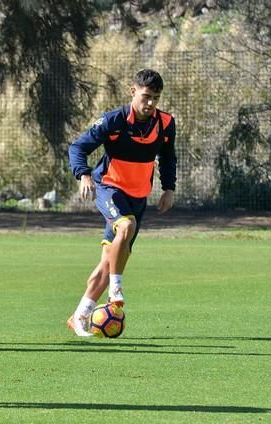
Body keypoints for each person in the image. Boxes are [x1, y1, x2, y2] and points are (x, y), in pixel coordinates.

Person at [67, 68, 177, 337]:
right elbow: (77, 147)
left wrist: (169, 188)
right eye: (146, 96)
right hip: (109, 187)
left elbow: (168, 156)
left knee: (108, 262)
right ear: (133, 92)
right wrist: (83, 175)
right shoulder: (113, 120)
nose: (150, 103)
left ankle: (79, 315)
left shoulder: (165, 123)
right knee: (125, 227)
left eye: (156, 98)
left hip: (139, 196)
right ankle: (116, 290)